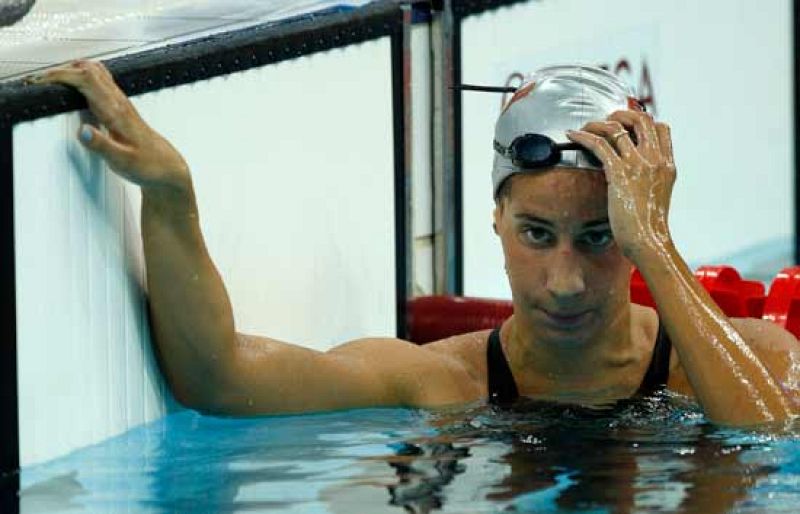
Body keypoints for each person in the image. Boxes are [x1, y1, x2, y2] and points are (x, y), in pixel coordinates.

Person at [33, 60, 800, 426]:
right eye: (536, 234)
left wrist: (655, 245)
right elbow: (221, 379)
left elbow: (773, 443)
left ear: (638, 235)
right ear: (496, 222)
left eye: (600, 238)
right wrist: (172, 199)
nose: (564, 280)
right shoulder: (440, 381)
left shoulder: (762, 359)